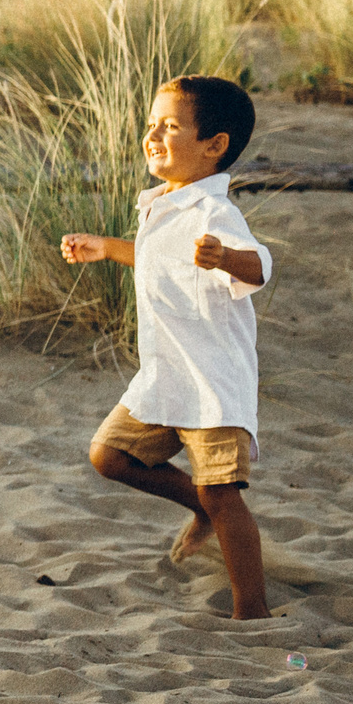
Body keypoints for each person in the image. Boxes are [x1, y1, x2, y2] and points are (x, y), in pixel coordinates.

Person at [61, 75, 273, 620]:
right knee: (109, 455)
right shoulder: (164, 202)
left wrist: (225, 258)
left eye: (171, 126)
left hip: (210, 381)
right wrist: (108, 248)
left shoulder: (214, 213)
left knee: (224, 493)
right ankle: (195, 506)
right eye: (151, 124)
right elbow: (160, 260)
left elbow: (261, 265)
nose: (153, 135)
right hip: (165, 373)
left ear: (214, 144)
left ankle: (252, 611)